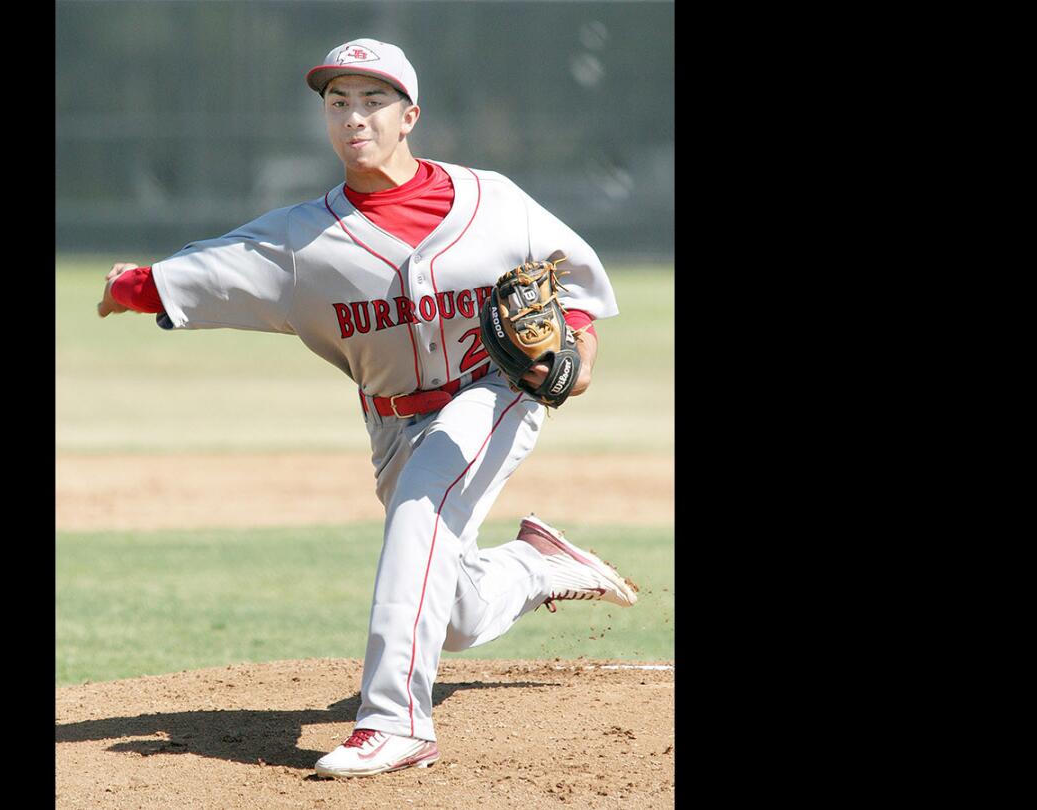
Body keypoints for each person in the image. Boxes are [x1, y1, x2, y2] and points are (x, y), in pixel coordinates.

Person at [96, 38, 637, 779]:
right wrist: (129, 288)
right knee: (456, 614)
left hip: (493, 394)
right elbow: (195, 275)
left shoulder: (495, 205)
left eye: (373, 100)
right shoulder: (301, 243)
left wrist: (568, 368)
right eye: (337, 101)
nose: (354, 116)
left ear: (410, 114)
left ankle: (395, 722)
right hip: (391, 424)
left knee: (422, 509)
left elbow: (576, 302)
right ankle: (537, 566)